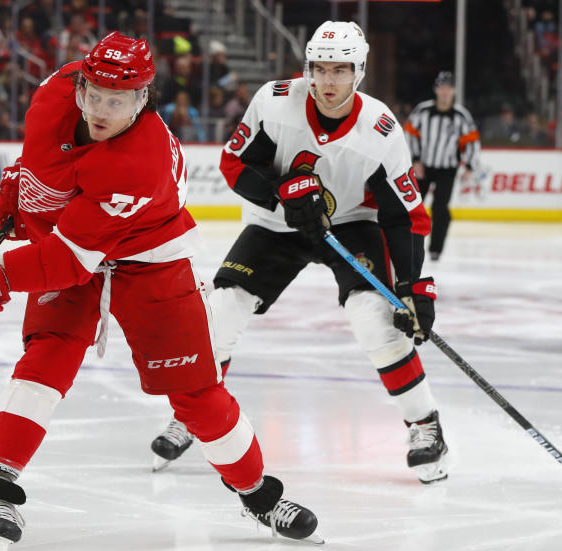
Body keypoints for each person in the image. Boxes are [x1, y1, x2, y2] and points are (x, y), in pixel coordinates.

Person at [0, 32, 322, 551]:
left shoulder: (137, 160)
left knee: (195, 392)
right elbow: (39, 158)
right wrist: (24, 187)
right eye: (94, 95)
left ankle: (258, 494)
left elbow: (64, 262)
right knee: (48, 352)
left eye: (119, 101)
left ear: (143, 99)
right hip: (73, 235)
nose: (101, 110)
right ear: (78, 84)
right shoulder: (53, 92)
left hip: (149, 259)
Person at [149, 21, 449, 485]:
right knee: (222, 310)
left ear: (359, 72)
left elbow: (403, 216)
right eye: (319, 69)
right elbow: (235, 164)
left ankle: (424, 422)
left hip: (351, 224)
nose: (328, 82)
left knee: (375, 318)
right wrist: (281, 194)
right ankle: (195, 414)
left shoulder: (380, 130)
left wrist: (414, 287)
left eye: (340, 71)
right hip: (278, 222)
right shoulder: (275, 101)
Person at [403, 71, 480, 261]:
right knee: (413, 206)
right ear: (436, 89)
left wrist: (469, 166)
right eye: (442, 87)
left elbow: (471, 141)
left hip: (448, 168)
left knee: (440, 208)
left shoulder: (461, 116)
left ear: (454, 91)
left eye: (449, 88)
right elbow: (409, 134)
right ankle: (409, 243)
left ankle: (435, 249)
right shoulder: (423, 111)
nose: (445, 92)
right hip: (424, 167)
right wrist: (415, 160)